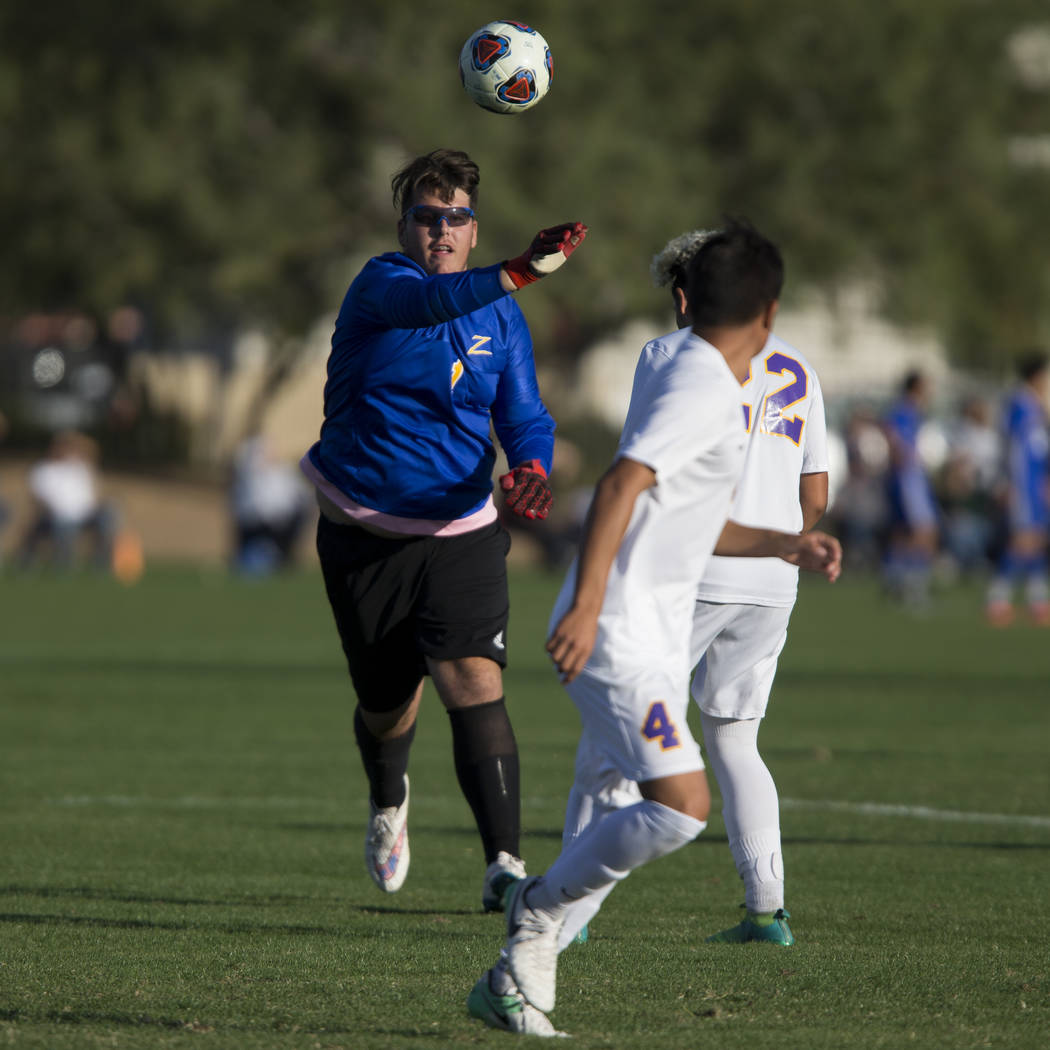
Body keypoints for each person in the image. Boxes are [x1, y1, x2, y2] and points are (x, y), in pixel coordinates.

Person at [467, 220, 841, 1036]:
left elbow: (691, 515)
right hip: (624, 630)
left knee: (616, 789)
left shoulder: (701, 372)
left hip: (653, 620)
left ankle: (522, 975)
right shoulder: (700, 381)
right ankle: (536, 915)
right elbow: (621, 486)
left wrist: (787, 542)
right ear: (767, 313)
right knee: (678, 805)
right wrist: (591, 603)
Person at [299, 148, 587, 911]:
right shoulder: (381, 287)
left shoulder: (502, 314)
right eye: (426, 216)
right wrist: (521, 268)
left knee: (473, 680)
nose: (440, 229)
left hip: (461, 528)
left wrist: (531, 465)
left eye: (455, 217)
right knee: (387, 705)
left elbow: (523, 413)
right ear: (404, 226)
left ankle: (503, 867)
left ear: (472, 227)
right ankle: (388, 797)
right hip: (365, 534)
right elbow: (431, 307)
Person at [985, 352, 1050, 625]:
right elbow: (1015, 451)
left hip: (1036, 485)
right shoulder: (1020, 404)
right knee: (1022, 541)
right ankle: (997, 599)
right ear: (1036, 375)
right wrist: (1012, 485)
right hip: (1024, 485)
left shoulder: (1034, 405)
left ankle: (1039, 601)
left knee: (1036, 541)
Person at [17, 430, 118, 571]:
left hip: (85, 514)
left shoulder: (81, 467)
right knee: (63, 523)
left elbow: (93, 451)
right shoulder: (43, 469)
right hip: (55, 516)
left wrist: (78, 442)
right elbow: (38, 498)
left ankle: (100, 565)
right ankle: (63, 565)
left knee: (108, 515)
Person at [881, 370, 939, 606]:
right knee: (924, 531)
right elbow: (894, 438)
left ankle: (894, 580)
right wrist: (906, 462)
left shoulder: (910, 411)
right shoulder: (905, 410)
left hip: (907, 477)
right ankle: (915, 589)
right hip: (908, 478)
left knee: (903, 532)